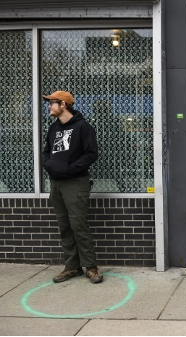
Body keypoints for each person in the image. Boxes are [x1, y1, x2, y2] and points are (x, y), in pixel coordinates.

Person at [42, 90, 103, 284]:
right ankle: (72, 267)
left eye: (52, 103)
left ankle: (91, 267)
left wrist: (69, 169)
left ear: (63, 105)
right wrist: (49, 165)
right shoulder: (53, 129)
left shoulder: (83, 127)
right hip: (56, 183)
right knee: (64, 226)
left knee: (78, 225)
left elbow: (91, 154)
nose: (49, 106)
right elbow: (46, 152)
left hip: (76, 182)